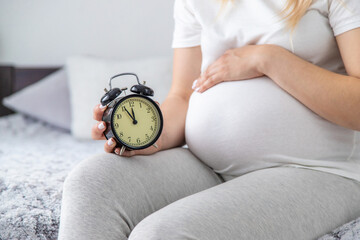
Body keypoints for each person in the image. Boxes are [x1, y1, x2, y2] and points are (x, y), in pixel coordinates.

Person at [58, 0, 360, 239]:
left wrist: (269, 59)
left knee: (163, 234)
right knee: (93, 181)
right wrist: (150, 137)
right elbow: (183, 97)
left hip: (318, 169)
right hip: (208, 165)